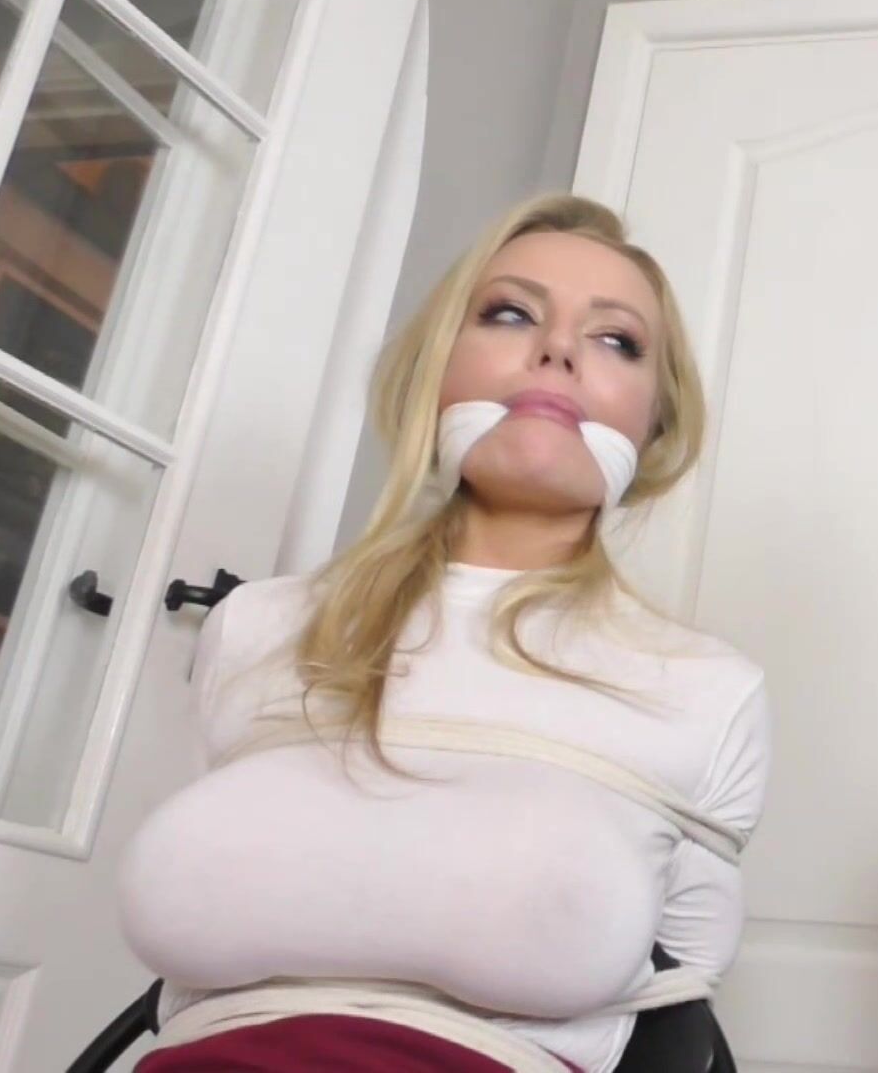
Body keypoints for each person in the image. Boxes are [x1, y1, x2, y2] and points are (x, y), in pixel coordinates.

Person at [116, 194, 770, 1073]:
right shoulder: (257, 629)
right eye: (511, 314)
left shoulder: (706, 691)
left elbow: (678, 1008)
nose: (558, 350)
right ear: (437, 366)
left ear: (655, 425)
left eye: (617, 340)